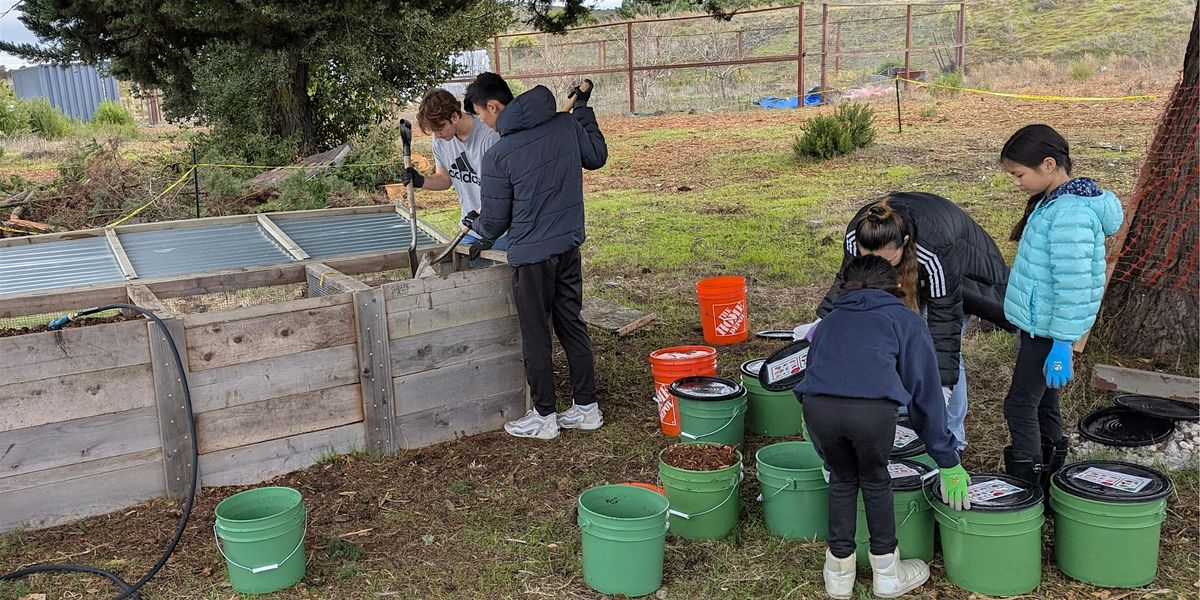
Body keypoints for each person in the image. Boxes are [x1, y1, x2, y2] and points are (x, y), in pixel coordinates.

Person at [795, 255, 970, 600]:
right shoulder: (904, 320)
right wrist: (947, 459)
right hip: (872, 414)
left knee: (843, 478)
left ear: (844, 286)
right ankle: (888, 573)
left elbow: (811, 376)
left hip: (818, 409)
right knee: (875, 479)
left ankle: (838, 575)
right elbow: (926, 398)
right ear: (897, 285)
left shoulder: (829, 321)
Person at [799, 192, 1013, 452]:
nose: (880, 267)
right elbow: (850, 278)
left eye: (887, 261)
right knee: (895, 339)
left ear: (905, 243)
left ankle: (951, 435)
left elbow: (944, 326)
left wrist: (941, 387)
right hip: (916, 269)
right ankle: (903, 423)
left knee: (935, 353)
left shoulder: (934, 249)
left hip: (962, 274)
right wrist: (824, 319)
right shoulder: (860, 234)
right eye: (870, 259)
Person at [464, 72, 609, 440]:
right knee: (570, 323)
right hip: (567, 247)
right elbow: (597, 156)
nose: (484, 122)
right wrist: (582, 111)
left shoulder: (499, 156)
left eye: (482, 115)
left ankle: (544, 416)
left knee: (536, 334)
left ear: (493, 107)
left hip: (531, 258)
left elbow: (495, 222)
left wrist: (475, 224)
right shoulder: (564, 125)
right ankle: (586, 408)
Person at [999, 124, 1123, 488]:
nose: (1017, 182)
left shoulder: (1070, 215)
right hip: (1042, 325)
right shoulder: (1056, 203)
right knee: (1044, 403)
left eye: (1019, 174)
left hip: (1049, 330)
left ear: (1049, 165)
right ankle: (1051, 480)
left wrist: (1063, 343)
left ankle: (1028, 488)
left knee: (1019, 405)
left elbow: (1075, 284)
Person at [404, 88, 507, 251]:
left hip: (500, 233)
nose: (436, 136)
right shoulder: (441, 140)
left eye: (439, 129)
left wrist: (491, 234)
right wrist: (420, 181)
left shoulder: (490, 138)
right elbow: (445, 179)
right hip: (469, 228)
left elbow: (503, 192)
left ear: (454, 116)